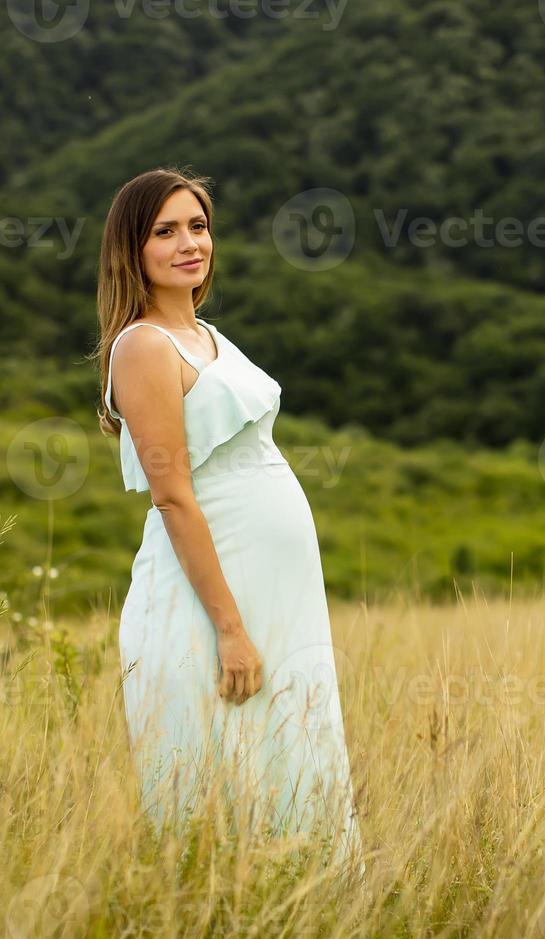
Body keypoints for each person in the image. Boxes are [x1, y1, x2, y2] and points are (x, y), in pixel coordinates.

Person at [95, 168, 363, 873]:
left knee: (292, 747)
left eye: (198, 226)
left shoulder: (207, 334)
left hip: (274, 593)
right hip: (213, 600)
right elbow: (173, 494)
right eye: (166, 231)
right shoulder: (144, 345)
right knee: (222, 765)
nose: (190, 243)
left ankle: (303, 909)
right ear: (133, 249)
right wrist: (230, 628)